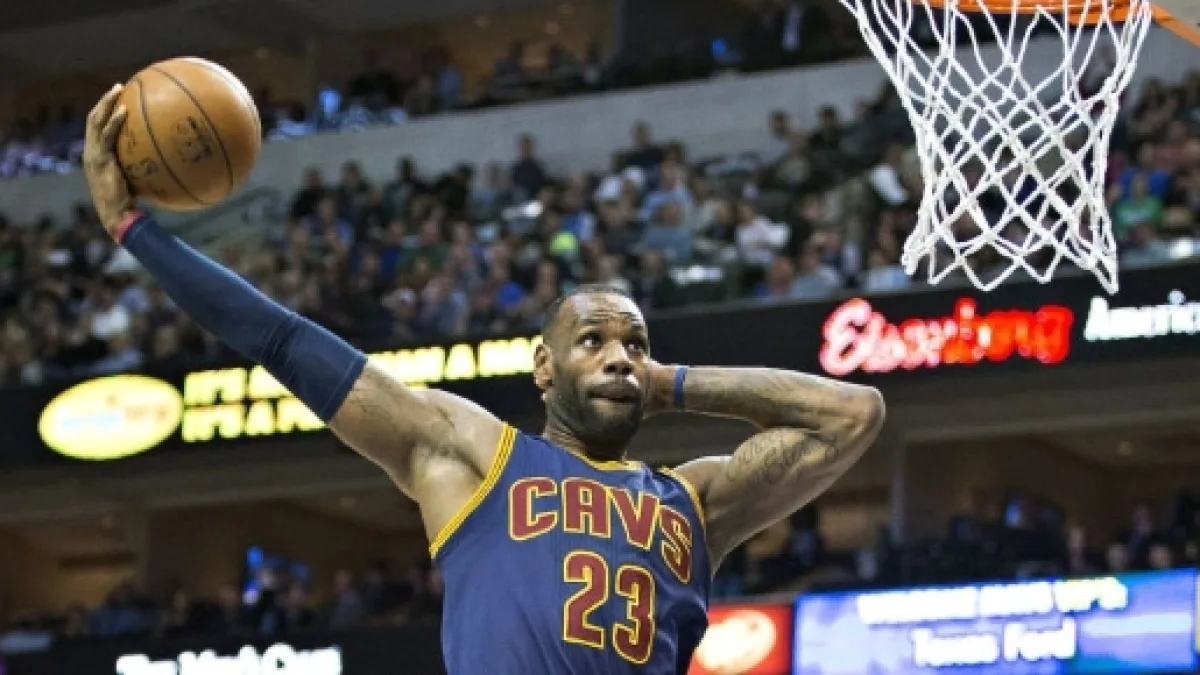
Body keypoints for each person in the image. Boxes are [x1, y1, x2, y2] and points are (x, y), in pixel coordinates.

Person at [81, 85, 885, 674]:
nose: (619, 356)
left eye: (634, 343)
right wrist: (133, 229)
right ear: (543, 366)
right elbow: (284, 339)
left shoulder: (693, 501)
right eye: (593, 340)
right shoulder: (471, 454)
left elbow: (853, 413)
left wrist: (670, 379)